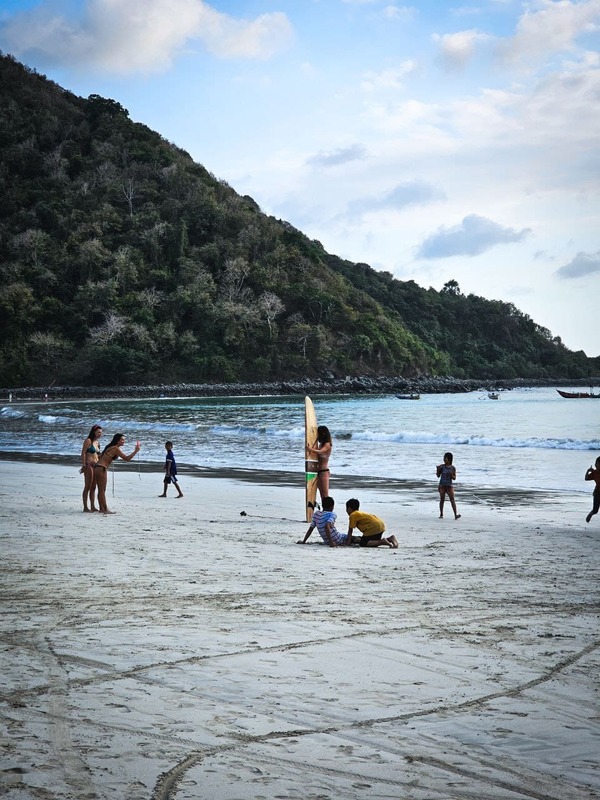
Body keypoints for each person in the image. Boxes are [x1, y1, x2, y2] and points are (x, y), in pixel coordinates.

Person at [94, 433, 141, 514]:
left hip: (98, 467)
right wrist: (136, 451)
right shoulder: (116, 448)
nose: (124, 441)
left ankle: (102, 508)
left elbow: (100, 456)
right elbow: (127, 459)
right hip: (101, 468)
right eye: (122, 440)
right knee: (102, 490)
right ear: (118, 441)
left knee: (100, 490)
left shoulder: (110, 447)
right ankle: (105, 509)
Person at [80, 424, 103, 512]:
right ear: (94, 432)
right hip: (89, 466)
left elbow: (98, 455)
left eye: (101, 433)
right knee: (87, 486)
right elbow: (83, 453)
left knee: (93, 487)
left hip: (96, 466)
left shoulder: (97, 442)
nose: (100, 434)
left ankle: (92, 506)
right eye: (98, 432)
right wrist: (84, 465)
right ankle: (85, 507)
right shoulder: (88, 441)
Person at [307, 425, 332, 501]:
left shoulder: (327, 444)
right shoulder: (320, 444)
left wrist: (310, 449)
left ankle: (328, 511)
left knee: (325, 494)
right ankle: (323, 511)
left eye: (318, 433)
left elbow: (321, 451)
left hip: (324, 472)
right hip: (317, 471)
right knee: (321, 494)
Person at [436, 452, 461, 519]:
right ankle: (441, 514)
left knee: (452, 499)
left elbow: (454, 478)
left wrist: (451, 475)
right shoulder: (442, 467)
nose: (444, 459)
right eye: (444, 458)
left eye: (445, 458)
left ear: (449, 459)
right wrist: (437, 470)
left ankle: (455, 515)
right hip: (442, 485)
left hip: (449, 486)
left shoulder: (453, 468)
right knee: (442, 500)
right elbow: (438, 476)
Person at [585, 456, 600, 523]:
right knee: (595, 510)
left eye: (597, 464)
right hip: (597, 493)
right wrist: (588, 471)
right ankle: (590, 514)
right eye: (595, 464)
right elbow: (586, 478)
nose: (595, 465)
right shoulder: (594, 472)